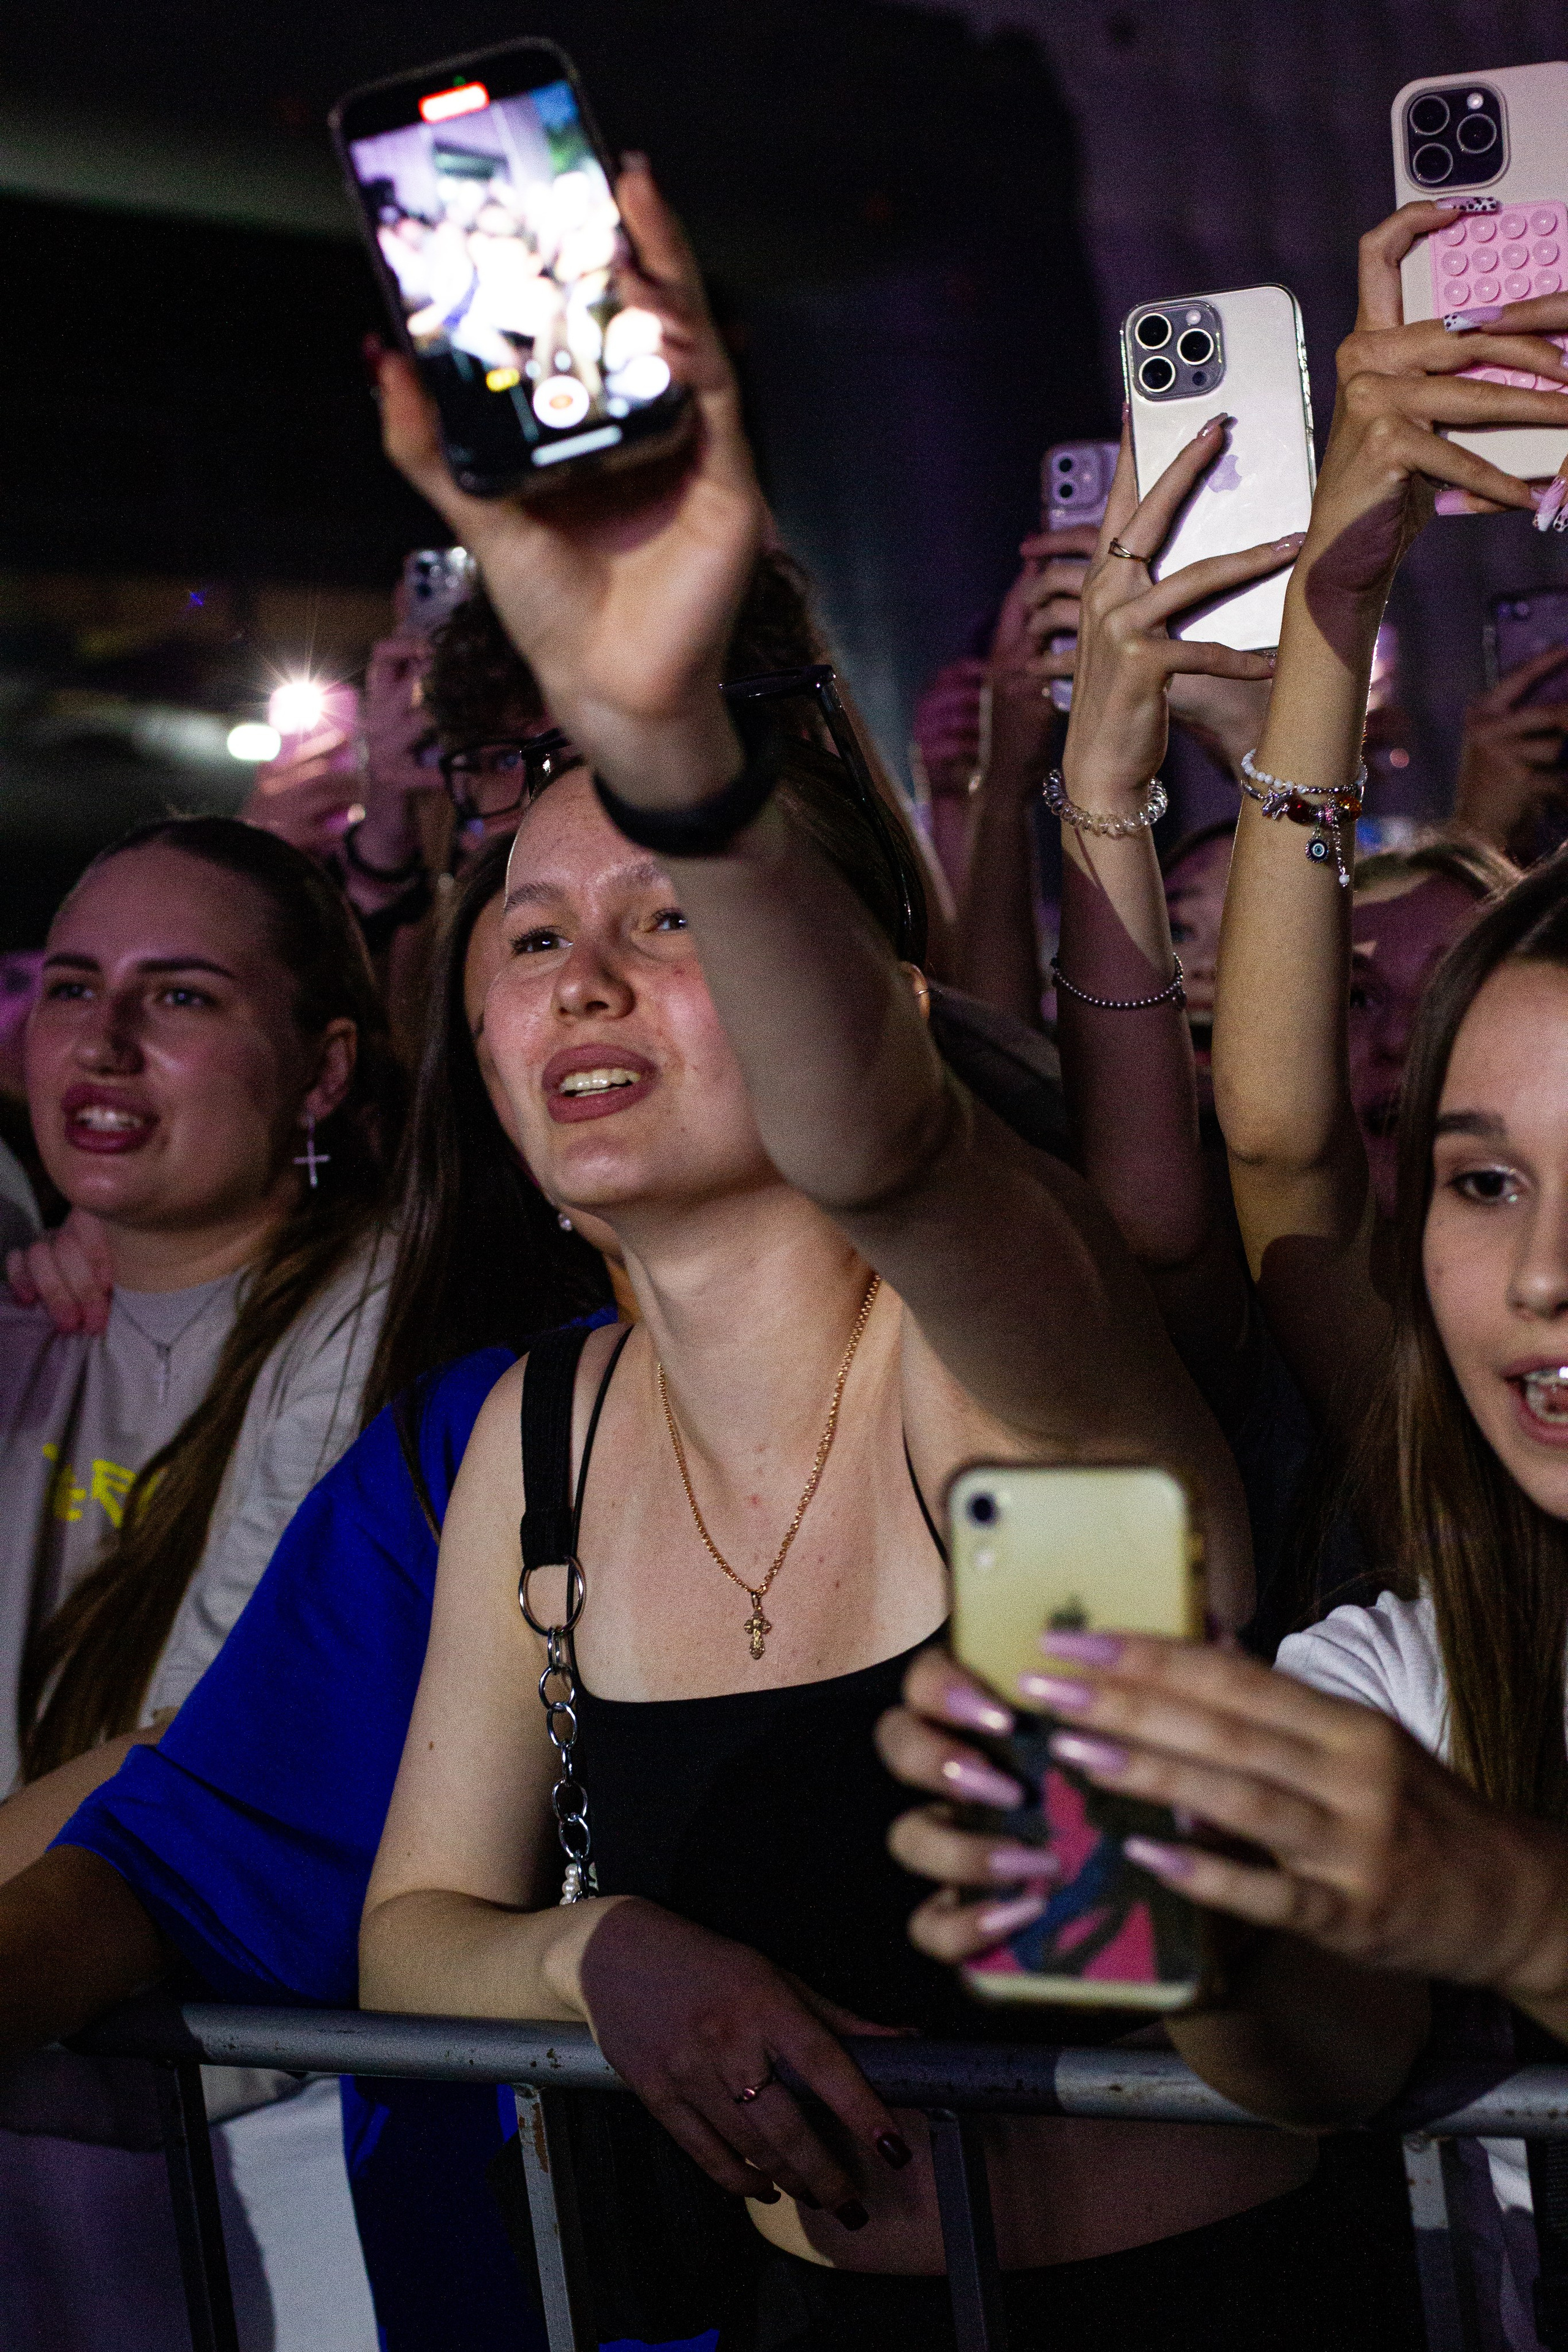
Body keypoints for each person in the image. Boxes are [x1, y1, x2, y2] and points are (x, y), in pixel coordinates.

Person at [314, 156, 1438, 2352]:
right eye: (532, 941)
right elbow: (412, 1936)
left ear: (865, 993)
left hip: (1182, 2310)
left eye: (666, 920)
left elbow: (908, 1167)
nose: (588, 979)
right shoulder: (541, 1446)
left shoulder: (989, 1354)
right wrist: (598, 1954)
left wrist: (678, 764)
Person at [880, 201, 1568, 2352]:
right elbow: (1327, 2049)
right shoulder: (1420, 1673)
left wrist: (1519, 1909)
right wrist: (1171, 1915)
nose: (1548, 1279)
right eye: (1475, 1183)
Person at [0, 814, 403, 2352]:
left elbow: (200, 1747)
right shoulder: (24, 1324)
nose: (100, 1042)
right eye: (66, 986)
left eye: (178, 997)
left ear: (321, 1068)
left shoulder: (377, 1332)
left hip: (260, 2150)